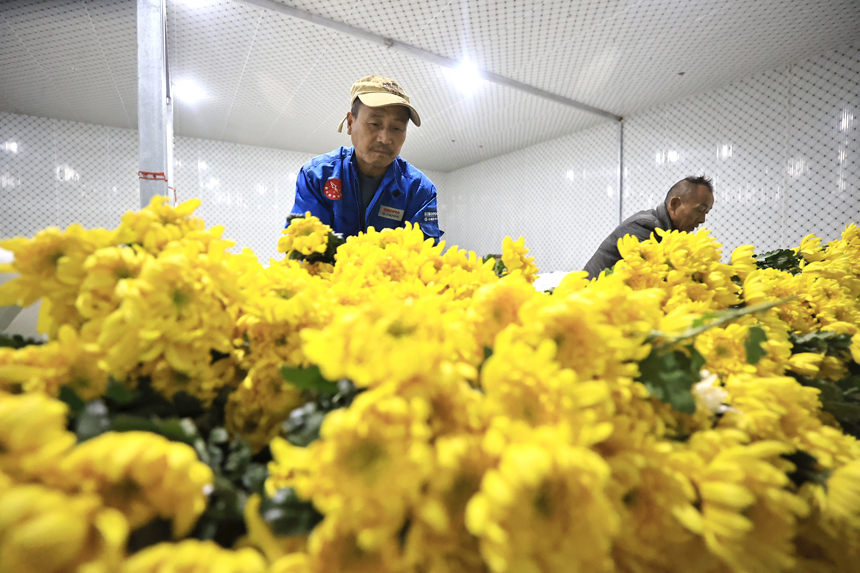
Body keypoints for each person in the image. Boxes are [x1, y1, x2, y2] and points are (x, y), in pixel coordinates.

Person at [288, 75, 442, 242]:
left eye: (397, 127)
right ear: (350, 123)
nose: (385, 138)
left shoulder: (419, 190)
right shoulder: (316, 176)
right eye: (375, 124)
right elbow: (305, 248)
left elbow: (422, 257)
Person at [583, 175, 714, 278]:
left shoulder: (669, 233)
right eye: (699, 210)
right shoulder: (643, 228)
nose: (702, 220)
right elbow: (660, 277)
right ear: (674, 204)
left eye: (706, 213)